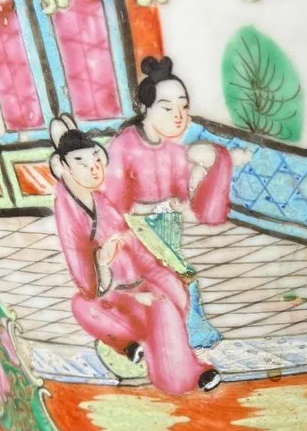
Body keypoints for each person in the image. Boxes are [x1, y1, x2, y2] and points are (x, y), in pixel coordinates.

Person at [49, 114, 221, 395]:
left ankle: (191, 371)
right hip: (113, 300)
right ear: (62, 166)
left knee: (163, 304)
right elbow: (85, 279)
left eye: (97, 161)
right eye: (82, 163)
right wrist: (102, 263)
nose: (94, 169)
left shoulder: (103, 202)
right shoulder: (66, 210)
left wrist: (160, 278)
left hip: (140, 287)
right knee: (81, 306)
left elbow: (139, 252)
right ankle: (131, 346)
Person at [103, 57, 250, 349]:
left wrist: (212, 166)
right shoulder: (124, 144)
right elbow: (114, 198)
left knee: (170, 275)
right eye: (167, 108)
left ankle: (174, 330)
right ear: (146, 107)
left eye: (183, 107)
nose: (179, 116)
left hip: (167, 222)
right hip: (136, 226)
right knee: (178, 275)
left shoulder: (172, 147)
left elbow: (181, 188)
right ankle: (188, 331)